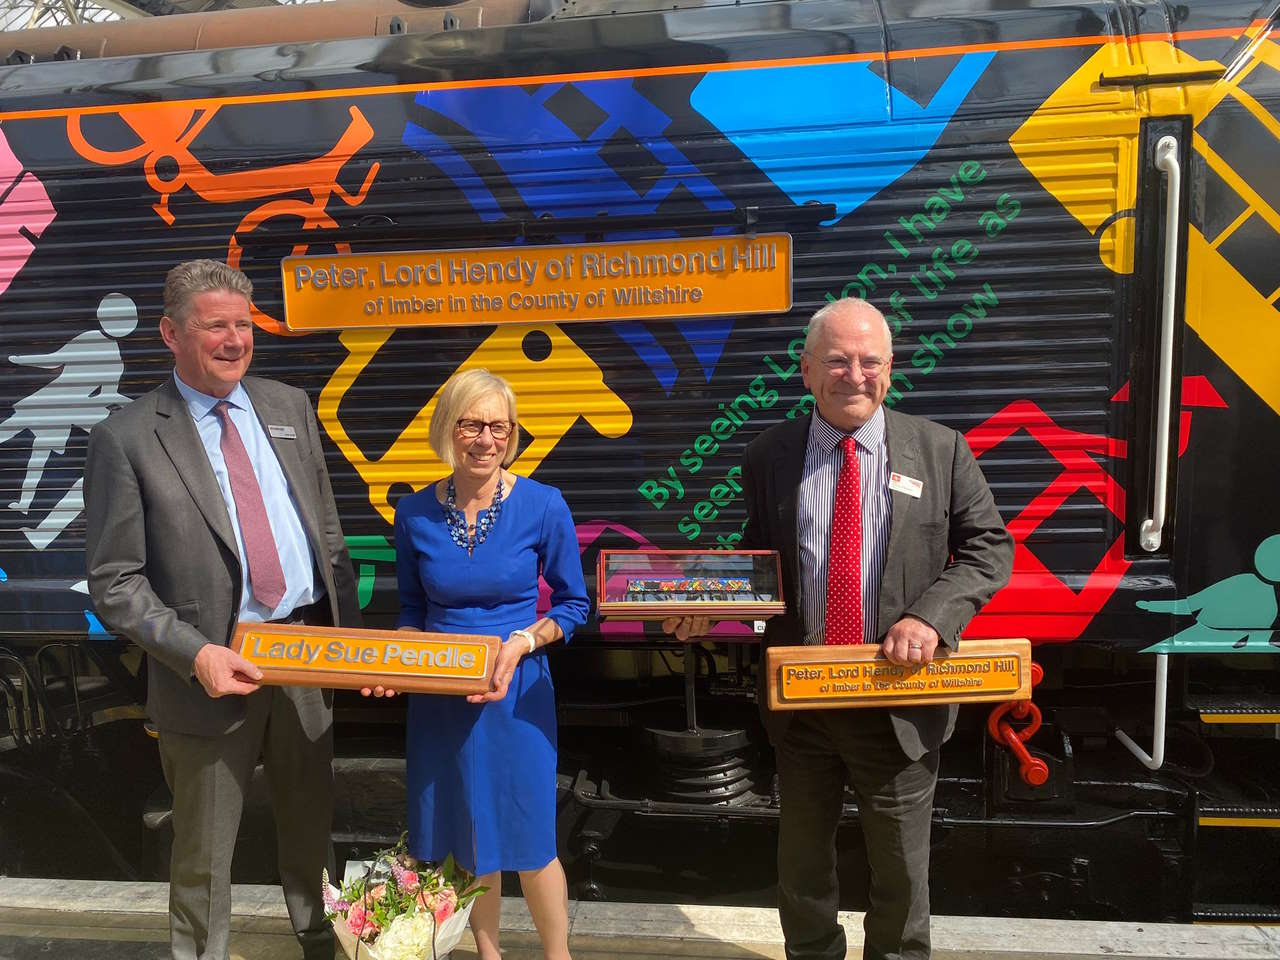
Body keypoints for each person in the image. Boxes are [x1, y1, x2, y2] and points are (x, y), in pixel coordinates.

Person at [669, 297, 1013, 960]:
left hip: (899, 700)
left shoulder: (940, 450)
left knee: (903, 877)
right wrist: (709, 602)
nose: (854, 375)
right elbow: (759, 557)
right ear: (805, 370)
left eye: (869, 361)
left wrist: (930, 617)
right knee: (801, 873)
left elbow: (988, 548)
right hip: (804, 707)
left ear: (889, 369)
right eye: (837, 360)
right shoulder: (770, 454)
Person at [84, 259, 361, 960]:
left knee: (311, 834)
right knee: (204, 856)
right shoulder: (127, 437)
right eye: (217, 326)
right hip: (207, 668)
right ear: (171, 332)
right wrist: (194, 654)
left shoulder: (289, 406)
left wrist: (353, 644)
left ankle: (323, 946)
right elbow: (115, 582)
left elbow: (325, 532)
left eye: (244, 325)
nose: (235, 339)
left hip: (304, 655)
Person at [386, 368, 588, 960]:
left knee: (531, 840)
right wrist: (395, 662)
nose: (485, 439)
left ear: (513, 434)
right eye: (471, 424)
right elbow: (410, 609)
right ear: (447, 429)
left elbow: (576, 604)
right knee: (465, 838)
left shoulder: (543, 505)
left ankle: (559, 955)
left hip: (517, 692)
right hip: (441, 699)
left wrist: (524, 640)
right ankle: (488, 954)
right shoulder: (415, 513)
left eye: (498, 426)